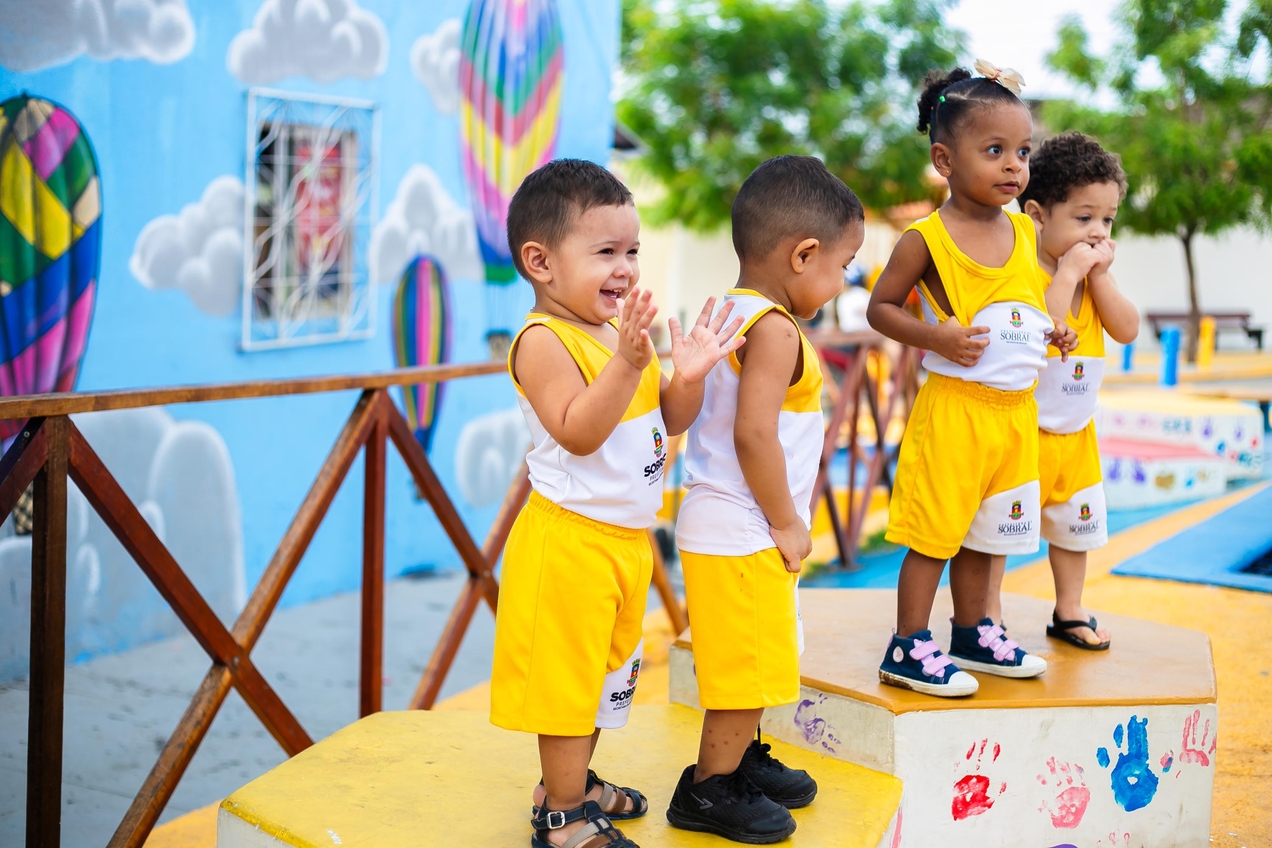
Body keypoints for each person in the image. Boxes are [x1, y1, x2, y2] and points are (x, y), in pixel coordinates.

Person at [491, 158, 744, 848]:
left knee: (607, 679)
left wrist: (684, 375)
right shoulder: (544, 340)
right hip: (571, 543)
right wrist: (632, 361)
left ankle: (570, 785)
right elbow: (577, 431)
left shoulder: (617, 335)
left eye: (631, 251)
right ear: (540, 262)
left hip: (627, 542)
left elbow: (672, 420)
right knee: (570, 686)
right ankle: (562, 818)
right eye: (605, 252)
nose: (626, 267)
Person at [668, 155, 867, 842]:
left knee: (753, 652)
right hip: (743, 520)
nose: (842, 282)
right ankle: (708, 788)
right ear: (803, 253)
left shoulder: (727, 307)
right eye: (842, 265)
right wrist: (787, 521)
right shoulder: (778, 329)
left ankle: (741, 758)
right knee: (744, 666)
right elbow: (754, 433)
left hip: (725, 516)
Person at [866, 63, 1076, 698]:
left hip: (1014, 413)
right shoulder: (925, 239)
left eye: (1022, 152)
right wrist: (937, 337)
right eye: (994, 151)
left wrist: (1052, 330)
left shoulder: (1022, 229)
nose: (1014, 166)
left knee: (993, 531)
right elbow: (883, 307)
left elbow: (1025, 302)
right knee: (936, 532)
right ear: (944, 159)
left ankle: (974, 630)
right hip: (956, 410)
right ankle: (907, 644)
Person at [987, 132, 1139, 650]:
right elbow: (1040, 329)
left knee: (1077, 529)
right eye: (1083, 218)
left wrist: (1098, 280)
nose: (1097, 232)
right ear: (1037, 215)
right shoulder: (1026, 272)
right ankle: (988, 616)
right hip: (1023, 432)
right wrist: (1070, 273)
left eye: (1107, 220)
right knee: (1000, 530)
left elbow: (1127, 329)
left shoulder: (1097, 280)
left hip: (1076, 436)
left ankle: (1068, 609)